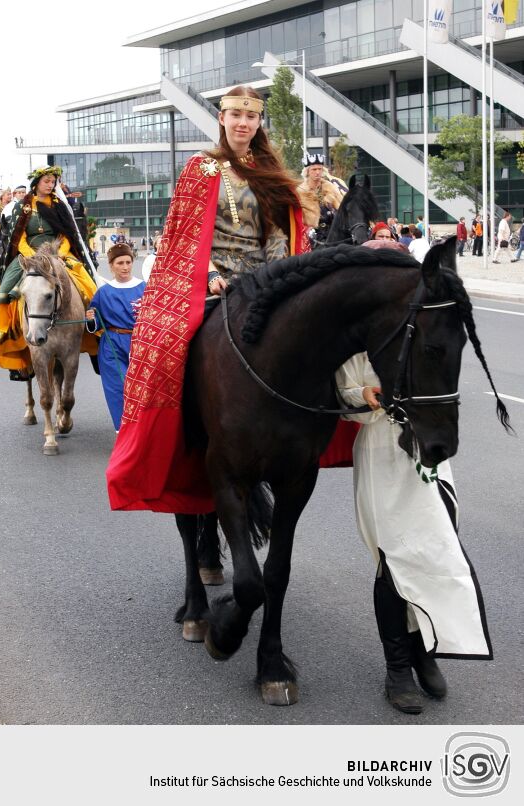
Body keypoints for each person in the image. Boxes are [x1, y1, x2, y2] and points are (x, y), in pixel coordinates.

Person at [106, 84, 356, 514]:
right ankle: (178, 434)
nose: (243, 123)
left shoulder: (269, 170)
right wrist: (210, 275)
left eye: (251, 117)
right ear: (222, 119)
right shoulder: (201, 168)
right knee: (167, 345)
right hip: (211, 283)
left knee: (323, 336)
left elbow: (280, 233)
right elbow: (182, 236)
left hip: (264, 283)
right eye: (235, 115)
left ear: (259, 122)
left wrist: (282, 278)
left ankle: (338, 412)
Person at [336, 295, 491, 713]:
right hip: (381, 452)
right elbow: (345, 396)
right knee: (394, 557)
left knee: (434, 549)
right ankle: (398, 668)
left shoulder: (422, 332)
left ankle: (424, 648)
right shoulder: (355, 342)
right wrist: (364, 394)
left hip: (426, 453)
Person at [0, 165, 97, 380]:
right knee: (8, 289)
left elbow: (66, 235)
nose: (50, 185)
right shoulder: (23, 207)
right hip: (29, 255)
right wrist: (31, 256)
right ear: (36, 184)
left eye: (53, 181)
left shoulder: (59, 206)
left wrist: (61, 254)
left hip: (57, 253)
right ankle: (4, 333)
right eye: (46, 181)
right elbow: (20, 237)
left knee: (87, 281)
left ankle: (95, 325)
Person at [86, 244, 145, 431]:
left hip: (140, 344)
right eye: (120, 263)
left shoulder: (144, 288)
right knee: (118, 389)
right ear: (111, 266)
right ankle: (123, 432)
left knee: (141, 390)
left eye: (128, 262)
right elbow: (94, 325)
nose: (125, 266)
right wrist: (91, 319)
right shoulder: (103, 292)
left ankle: (142, 431)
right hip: (112, 345)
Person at [297, 153, 343, 247]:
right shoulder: (300, 192)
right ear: (307, 172)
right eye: (314, 169)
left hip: (333, 233)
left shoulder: (331, 188)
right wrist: (307, 230)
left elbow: (342, 209)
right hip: (311, 237)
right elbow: (297, 218)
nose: (317, 172)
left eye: (320, 169)